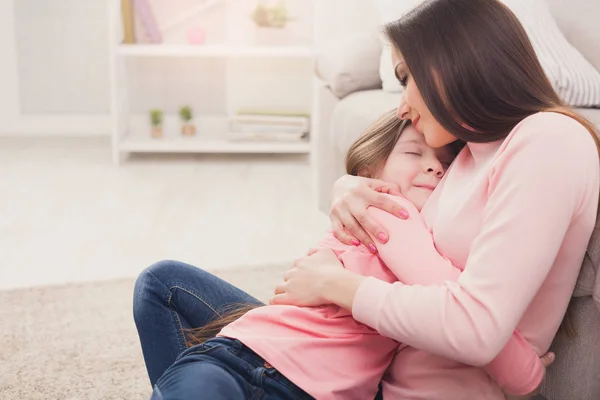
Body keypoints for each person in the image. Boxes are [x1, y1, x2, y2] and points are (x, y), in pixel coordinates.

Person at [133, 0, 595, 398]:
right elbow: (405, 236)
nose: (400, 106)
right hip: (356, 372)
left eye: (404, 76)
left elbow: (477, 329)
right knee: (166, 288)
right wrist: (353, 186)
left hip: (379, 384)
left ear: (449, 65)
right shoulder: (468, 156)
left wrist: (334, 285)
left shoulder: (548, 140)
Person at [142, 113, 545, 400]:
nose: (435, 169)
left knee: (160, 284)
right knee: (164, 286)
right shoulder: (387, 212)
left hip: (286, 376)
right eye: (414, 154)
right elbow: (464, 306)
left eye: (444, 164)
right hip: (240, 356)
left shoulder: (415, 226)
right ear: (372, 168)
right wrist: (525, 373)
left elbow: (462, 308)